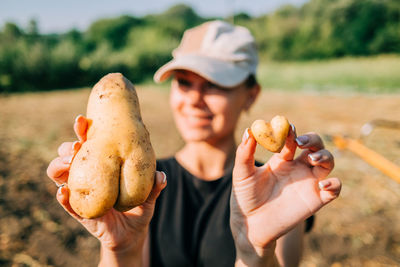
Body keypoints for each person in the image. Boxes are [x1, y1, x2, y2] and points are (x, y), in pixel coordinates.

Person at [47, 20, 341, 267]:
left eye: (214, 84)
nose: (194, 99)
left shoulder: (275, 188)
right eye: (183, 82)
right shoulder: (144, 186)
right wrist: (120, 249)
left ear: (251, 95)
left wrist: (256, 253)